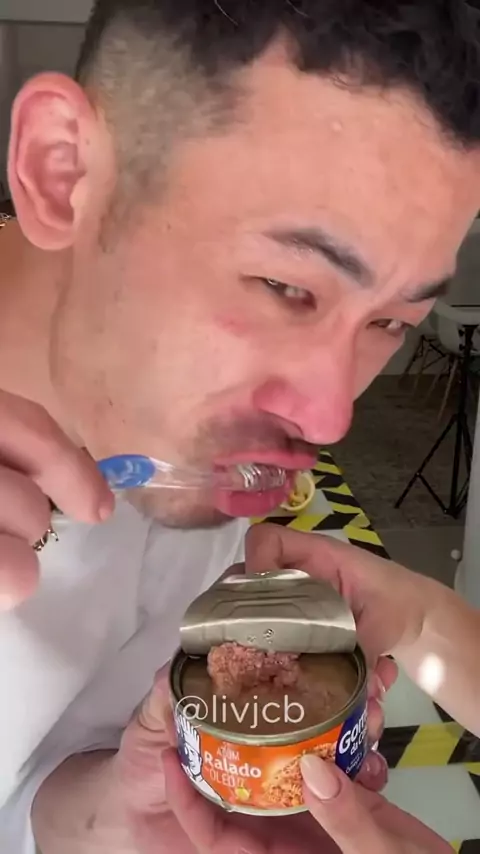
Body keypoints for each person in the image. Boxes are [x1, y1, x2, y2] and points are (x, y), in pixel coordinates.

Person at [1, 0, 480, 851]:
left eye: (391, 322)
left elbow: (40, 776)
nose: (330, 417)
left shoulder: (183, 443)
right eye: (286, 288)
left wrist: (122, 810)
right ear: (63, 171)